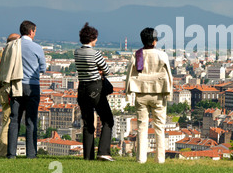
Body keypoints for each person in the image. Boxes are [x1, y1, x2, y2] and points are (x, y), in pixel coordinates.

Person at [125, 27, 173, 164]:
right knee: (159, 127)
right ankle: (160, 159)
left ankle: (141, 158)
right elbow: (169, 75)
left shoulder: (137, 54)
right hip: (158, 94)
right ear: (154, 41)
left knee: (141, 126)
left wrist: (128, 93)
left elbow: (129, 75)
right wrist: (169, 93)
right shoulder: (162, 55)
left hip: (141, 93)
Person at [74, 22, 114, 161]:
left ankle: (88, 157)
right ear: (92, 38)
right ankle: (103, 151)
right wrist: (99, 70)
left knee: (88, 123)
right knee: (107, 119)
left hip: (82, 88)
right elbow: (107, 71)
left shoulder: (77, 52)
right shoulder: (95, 53)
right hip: (95, 88)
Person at [7, 21, 46, 159]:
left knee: (14, 120)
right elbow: (43, 68)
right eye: (35, 31)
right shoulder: (37, 48)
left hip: (16, 85)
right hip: (32, 86)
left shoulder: (12, 46)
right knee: (31, 120)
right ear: (31, 31)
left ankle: (11, 154)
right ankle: (31, 154)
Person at [0, 33, 21, 157]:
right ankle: (3, 152)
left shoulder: (2, 53)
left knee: (7, 121)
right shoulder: (9, 53)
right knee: (8, 122)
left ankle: (3, 151)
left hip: (2, 90)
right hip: (8, 91)